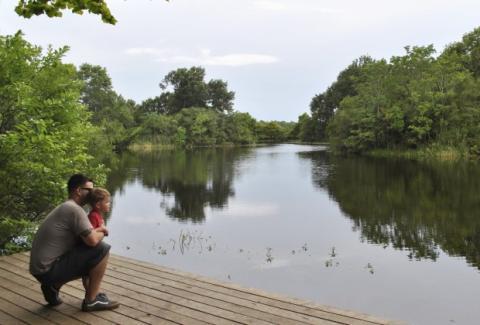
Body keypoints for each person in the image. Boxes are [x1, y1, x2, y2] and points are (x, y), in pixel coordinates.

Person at [29, 174, 119, 311]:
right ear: (78, 190)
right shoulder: (74, 209)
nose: (92, 194)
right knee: (101, 249)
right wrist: (103, 230)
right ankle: (92, 301)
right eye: (89, 190)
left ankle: (53, 286)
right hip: (47, 270)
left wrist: (97, 232)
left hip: (40, 269)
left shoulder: (66, 207)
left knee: (87, 252)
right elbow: (93, 241)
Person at [82, 187, 111, 291]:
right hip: (88, 249)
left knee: (90, 274)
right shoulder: (93, 216)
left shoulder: (98, 215)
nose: (109, 204)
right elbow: (91, 232)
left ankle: (91, 293)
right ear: (98, 205)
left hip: (94, 248)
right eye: (107, 202)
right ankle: (90, 293)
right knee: (88, 274)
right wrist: (102, 229)